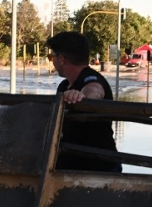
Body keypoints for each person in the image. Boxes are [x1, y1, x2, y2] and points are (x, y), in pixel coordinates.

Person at [47, 31, 119, 172]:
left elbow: (95, 91)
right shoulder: (64, 86)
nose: (52, 61)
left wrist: (80, 97)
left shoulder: (92, 78)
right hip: (68, 165)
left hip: (98, 169)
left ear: (61, 59)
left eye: (51, 57)